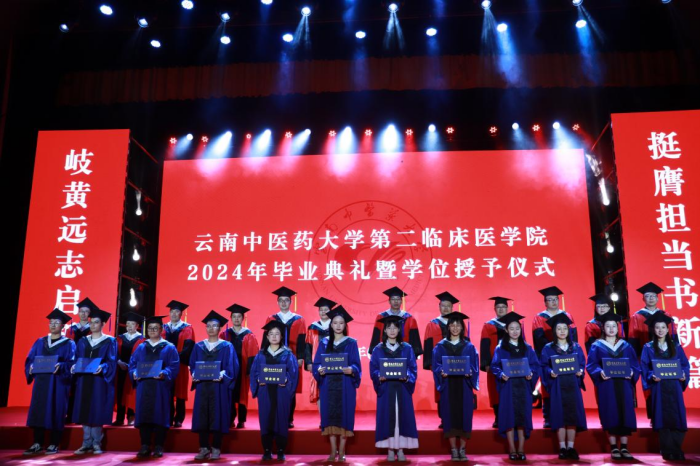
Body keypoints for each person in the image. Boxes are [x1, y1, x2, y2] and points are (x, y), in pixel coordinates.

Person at [585, 313, 639, 460]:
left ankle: (625, 447)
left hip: (624, 384)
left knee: (625, 412)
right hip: (607, 385)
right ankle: (614, 446)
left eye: (614, 326)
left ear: (618, 327)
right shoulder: (597, 346)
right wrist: (599, 372)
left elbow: (634, 364)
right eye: (608, 326)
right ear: (603, 328)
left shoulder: (626, 345)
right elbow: (591, 365)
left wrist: (632, 372)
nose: (611, 329)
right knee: (610, 412)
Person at [312, 305, 362, 462]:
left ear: (345, 325)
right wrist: (319, 369)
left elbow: (356, 364)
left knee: (344, 416)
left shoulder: (351, 343)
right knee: (330, 416)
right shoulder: (324, 342)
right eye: (335, 323)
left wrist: (352, 369)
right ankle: (333, 451)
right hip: (328, 385)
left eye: (341, 323)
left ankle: (342, 450)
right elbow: (317, 363)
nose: (338, 326)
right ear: (331, 325)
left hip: (345, 385)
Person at [23, 309, 76, 455]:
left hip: (59, 383)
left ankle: (54, 443)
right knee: (39, 409)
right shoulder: (40, 342)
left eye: (56, 322)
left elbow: (72, 363)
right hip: (41, 383)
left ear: (63, 326)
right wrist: (31, 367)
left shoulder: (69, 344)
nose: (52, 325)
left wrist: (62, 366)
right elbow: (30, 360)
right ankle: (37, 443)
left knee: (56, 409)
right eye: (51, 322)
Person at [641, 312, 690, 461]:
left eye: (663, 327)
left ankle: (677, 448)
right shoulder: (648, 347)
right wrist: (652, 376)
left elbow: (684, 365)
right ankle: (667, 449)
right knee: (662, 416)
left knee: (677, 415)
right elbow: (645, 367)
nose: (660, 330)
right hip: (659, 387)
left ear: (668, 329)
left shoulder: (676, 346)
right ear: (653, 330)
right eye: (657, 327)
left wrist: (683, 375)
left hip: (674, 386)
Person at [491, 312, 539, 461]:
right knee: (509, 418)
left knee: (522, 418)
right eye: (511, 328)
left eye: (517, 328)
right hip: (508, 387)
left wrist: (531, 373)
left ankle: (521, 449)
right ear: (506, 330)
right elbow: (495, 366)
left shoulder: (527, 347)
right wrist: (501, 375)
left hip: (523, 387)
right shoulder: (501, 348)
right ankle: (512, 449)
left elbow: (535, 365)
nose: (515, 331)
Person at [129, 316, 180, 458]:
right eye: (150, 328)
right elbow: (133, 364)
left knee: (160, 414)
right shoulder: (141, 347)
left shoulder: (169, 347)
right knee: (144, 414)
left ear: (161, 330)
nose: (152, 330)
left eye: (155, 328)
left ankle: (158, 446)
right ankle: (145, 445)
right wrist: (134, 373)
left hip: (160, 387)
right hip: (144, 386)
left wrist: (165, 373)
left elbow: (174, 366)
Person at [370, 315, 419, 462]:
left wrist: (407, 376)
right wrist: (379, 375)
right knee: (388, 417)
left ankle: (401, 449)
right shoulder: (378, 349)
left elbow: (412, 368)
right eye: (389, 328)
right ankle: (390, 449)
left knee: (401, 417)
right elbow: (373, 369)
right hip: (386, 389)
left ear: (399, 330)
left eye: (395, 327)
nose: (392, 330)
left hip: (402, 388)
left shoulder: (407, 348)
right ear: (384, 330)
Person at [431, 311, 479, 462]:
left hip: (464, 386)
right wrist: (441, 371)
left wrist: (470, 372)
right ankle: (453, 449)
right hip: (448, 386)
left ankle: (463, 449)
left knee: (465, 415)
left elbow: (474, 366)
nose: (455, 328)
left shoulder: (469, 346)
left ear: (462, 327)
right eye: (452, 325)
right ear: (448, 327)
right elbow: (436, 365)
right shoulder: (440, 346)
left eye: (458, 325)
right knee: (449, 415)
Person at [191, 311, 238, 461]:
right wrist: (194, 373)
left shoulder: (227, 346)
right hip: (203, 386)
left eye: (215, 326)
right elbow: (193, 365)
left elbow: (232, 367)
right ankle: (204, 447)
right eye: (209, 326)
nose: (211, 328)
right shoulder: (199, 346)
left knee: (218, 414)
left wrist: (223, 374)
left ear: (220, 328)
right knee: (202, 415)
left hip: (219, 387)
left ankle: (216, 447)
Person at [540, 313, 587, 460]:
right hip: (557, 385)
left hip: (572, 384)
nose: (562, 331)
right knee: (560, 415)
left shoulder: (576, 347)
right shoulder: (548, 348)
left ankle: (571, 447)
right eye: (559, 328)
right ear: (554, 331)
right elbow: (543, 366)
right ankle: (562, 447)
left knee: (572, 415)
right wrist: (550, 372)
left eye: (565, 328)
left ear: (568, 330)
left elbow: (582, 363)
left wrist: (581, 371)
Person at [71, 308, 117, 455]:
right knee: (84, 409)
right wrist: (74, 366)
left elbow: (111, 362)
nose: (93, 325)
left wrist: (103, 367)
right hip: (84, 380)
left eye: (96, 322)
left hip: (99, 381)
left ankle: (96, 443)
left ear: (103, 324)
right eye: (91, 322)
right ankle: (86, 443)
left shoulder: (109, 341)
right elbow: (77, 358)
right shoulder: (83, 341)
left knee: (97, 410)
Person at [251, 320, 300, 461]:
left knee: (281, 418)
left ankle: (280, 450)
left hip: (281, 392)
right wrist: (258, 379)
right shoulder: (261, 354)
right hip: (265, 391)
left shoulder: (288, 354)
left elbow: (293, 373)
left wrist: (286, 380)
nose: (274, 336)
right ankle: (267, 450)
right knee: (265, 418)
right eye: (271, 334)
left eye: (277, 333)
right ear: (267, 337)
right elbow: (254, 372)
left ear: (281, 336)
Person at [531, 286, 577, 428]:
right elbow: (539, 339)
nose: (553, 302)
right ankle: (548, 417)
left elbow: (573, 337)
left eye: (555, 299)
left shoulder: (567, 316)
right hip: (549, 357)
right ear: (545, 302)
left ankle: (569, 416)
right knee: (548, 387)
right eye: (550, 300)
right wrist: (552, 352)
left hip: (567, 356)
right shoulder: (539, 318)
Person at [264, 286, 306, 428]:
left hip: (292, 357)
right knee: (273, 385)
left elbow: (302, 340)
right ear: (277, 302)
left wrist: (300, 357)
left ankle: (289, 418)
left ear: (291, 302)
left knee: (290, 387)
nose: (283, 303)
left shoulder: (299, 319)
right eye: (281, 300)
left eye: (286, 300)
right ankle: (274, 416)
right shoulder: (271, 318)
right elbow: (265, 339)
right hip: (273, 357)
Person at [219, 303, 259, 428]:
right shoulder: (225, 334)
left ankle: (241, 420)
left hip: (243, 367)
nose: (236, 319)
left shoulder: (248, 334)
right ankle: (230, 418)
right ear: (231, 318)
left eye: (239, 316)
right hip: (228, 368)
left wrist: (250, 370)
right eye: (234, 316)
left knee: (242, 394)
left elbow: (253, 353)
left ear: (243, 318)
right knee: (229, 392)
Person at [423, 292, 457, 429]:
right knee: (441, 390)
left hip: (457, 365)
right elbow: (428, 345)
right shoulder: (432, 324)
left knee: (456, 390)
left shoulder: (457, 324)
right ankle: (444, 418)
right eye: (443, 305)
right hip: (439, 365)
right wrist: (431, 364)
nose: (446, 308)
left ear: (452, 308)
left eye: (448, 306)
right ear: (439, 307)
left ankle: (456, 417)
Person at [65, 297, 99, 424]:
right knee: (72, 389)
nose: (83, 314)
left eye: (86, 311)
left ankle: (83, 415)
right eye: (81, 311)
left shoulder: (93, 328)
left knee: (85, 388)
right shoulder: (71, 328)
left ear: (90, 314)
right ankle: (70, 415)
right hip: (73, 362)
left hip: (87, 362)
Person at [162, 299, 195, 427]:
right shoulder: (163, 327)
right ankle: (168, 417)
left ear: (181, 314)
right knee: (167, 390)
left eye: (177, 312)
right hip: (165, 365)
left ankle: (179, 418)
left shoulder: (187, 328)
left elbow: (188, 347)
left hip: (180, 364)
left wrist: (176, 359)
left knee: (180, 391)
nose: (174, 314)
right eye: (172, 311)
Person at [480, 296, 510, 428]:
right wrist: (486, 363)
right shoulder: (488, 325)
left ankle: (510, 416)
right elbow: (484, 345)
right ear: (494, 309)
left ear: (507, 309)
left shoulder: (514, 325)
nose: (501, 309)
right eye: (498, 307)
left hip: (511, 364)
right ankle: (498, 417)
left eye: (503, 307)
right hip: (494, 364)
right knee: (495, 391)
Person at [369, 286, 423, 358]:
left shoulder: (409, 318)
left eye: (398, 299)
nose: (396, 301)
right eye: (393, 299)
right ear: (389, 301)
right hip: (384, 353)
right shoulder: (381, 317)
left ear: (401, 301)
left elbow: (414, 339)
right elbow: (376, 337)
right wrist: (375, 352)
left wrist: (413, 354)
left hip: (404, 353)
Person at [628, 282, 678, 358]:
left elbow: (672, 335)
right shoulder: (636, 316)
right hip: (644, 354)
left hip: (665, 353)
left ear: (657, 299)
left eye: (653, 296)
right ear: (643, 299)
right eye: (647, 296)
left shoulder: (666, 315)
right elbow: (633, 339)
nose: (651, 298)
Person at [305, 297, 337, 410]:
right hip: (317, 363)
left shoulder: (336, 325)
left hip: (334, 362)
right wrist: (309, 362)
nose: (323, 312)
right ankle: (323, 416)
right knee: (318, 389)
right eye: (321, 310)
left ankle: (332, 415)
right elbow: (308, 346)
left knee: (333, 388)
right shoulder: (312, 327)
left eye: (326, 310)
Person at [113, 312, 144, 426]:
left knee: (131, 392)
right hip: (121, 369)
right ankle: (119, 417)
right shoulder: (119, 338)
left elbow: (143, 356)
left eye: (132, 324)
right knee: (120, 391)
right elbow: (114, 353)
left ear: (137, 326)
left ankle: (131, 416)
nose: (129, 326)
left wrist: (133, 366)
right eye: (128, 324)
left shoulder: (142, 339)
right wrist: (118, 361)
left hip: (134, 370)